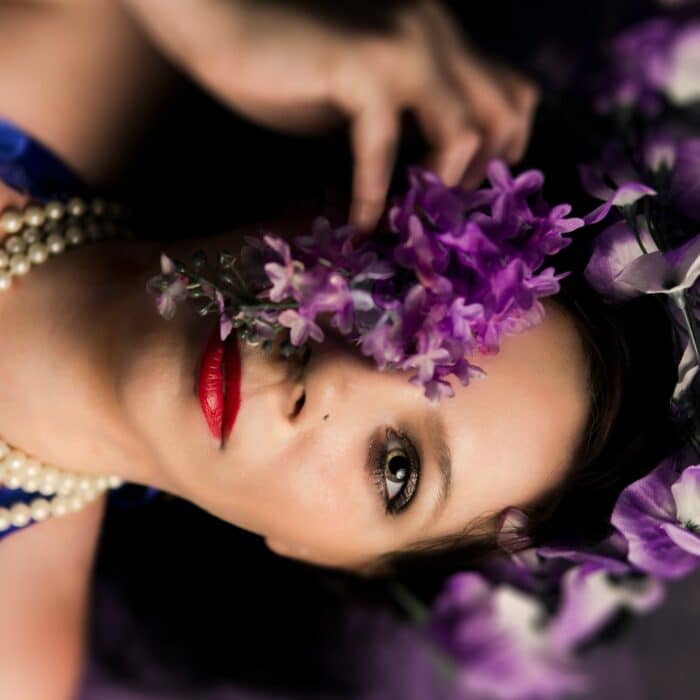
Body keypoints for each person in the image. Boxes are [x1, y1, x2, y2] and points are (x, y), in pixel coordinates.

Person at [0, 1, 680, 699]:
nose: (328, 383)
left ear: (338, 559)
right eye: (405, 297)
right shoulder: (89, 30)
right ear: (357, 186)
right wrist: (214, 21)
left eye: (396, 469)